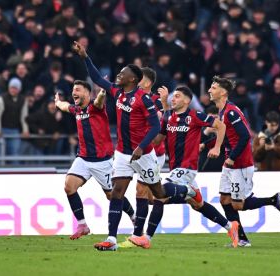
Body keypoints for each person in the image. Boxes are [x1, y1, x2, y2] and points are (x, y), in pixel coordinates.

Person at [72, 41, 197, 251]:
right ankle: (111, 240)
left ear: (132, 79)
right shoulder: (117, 92)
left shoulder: (144, 99)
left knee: (159, 193)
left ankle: (187, 190)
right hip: (122, 153)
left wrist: (141, 147)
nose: (118, 75)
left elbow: (156, 125)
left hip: (145, 155)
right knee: (117, 192)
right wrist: (85, 56)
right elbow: (95, 78)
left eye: (122, 73)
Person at [124, 86, 240, 249]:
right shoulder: (168, 117)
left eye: (177, 96)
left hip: (187, 167)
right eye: (173, 96)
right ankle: (230, 226)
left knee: (160, 197)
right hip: (175, 169)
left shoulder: (195, 115)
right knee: (197, 205)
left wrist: (217, 147)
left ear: (187, 101)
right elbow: (157, 141)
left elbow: (221, 126)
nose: (173, 98)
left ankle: (147, 238)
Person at [208, 76, 280, 247]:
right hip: (230, 163)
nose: (209, 90)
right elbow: (229, 137)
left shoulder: (231, 112)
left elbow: (245, 136)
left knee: (238, 205)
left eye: (213, 88)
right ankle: (241, 239)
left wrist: (231, 157)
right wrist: (206, 144)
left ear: (223, 92)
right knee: (224, 200)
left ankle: (274, 200)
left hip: (240, 163)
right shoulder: (223, 112)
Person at [54, 80, 135, 240]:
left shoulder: (95, 107)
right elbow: (64, 106)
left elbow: (99, 101)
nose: (74, 93)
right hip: (83, 158)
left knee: (112, 195)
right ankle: (83, 225)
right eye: (73, 90)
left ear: (86, 93)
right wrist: (58, 103)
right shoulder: (76, 109)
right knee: (69, 187)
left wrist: (102, 93)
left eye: (77, 90)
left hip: (102, 161)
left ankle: (134, 217)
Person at [130, 67, 167, 241]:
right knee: (151, 196)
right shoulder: (131, 97)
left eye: (140, 77)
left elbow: (159, 124)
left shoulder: (156, 101)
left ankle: (138, 234)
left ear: (147, 82)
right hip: (136, 152)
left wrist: (164, 106)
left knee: (142, 191)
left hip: (152, 153)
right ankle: (187, 195)